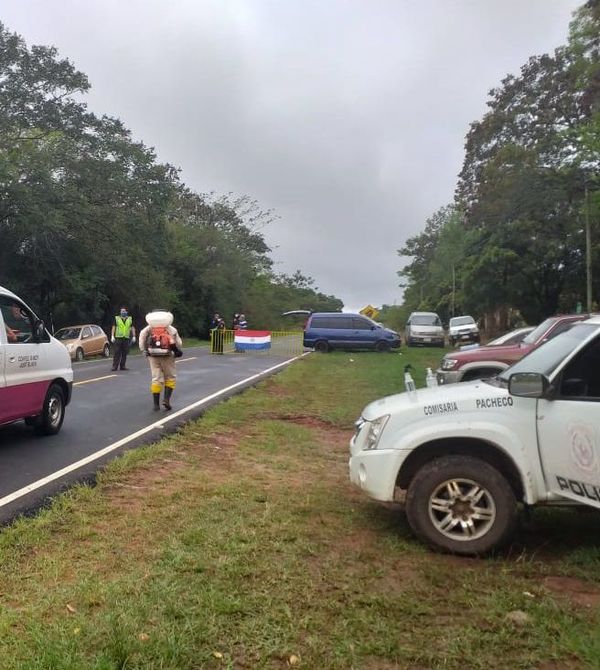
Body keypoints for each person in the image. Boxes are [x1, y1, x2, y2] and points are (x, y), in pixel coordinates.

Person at [139, 310, 183, 411]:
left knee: (156, 378)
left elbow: (142, 337)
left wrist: (143, 350)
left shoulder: (149, 328)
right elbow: (179, 343)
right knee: (170, 377)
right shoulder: (170, 329)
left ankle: (156, 405)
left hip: (153, 356)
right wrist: (177, 350)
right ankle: (166, 400)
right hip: (168, 356)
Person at [111, 307, 136, 371]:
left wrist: (134, 336)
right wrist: (112, 336)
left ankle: (122, 366)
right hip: (118, 338)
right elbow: (113, 327)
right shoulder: (117, 318)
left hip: (126, 338)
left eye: (124, 311)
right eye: (122, 311)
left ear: (126, 312)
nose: (123, 312)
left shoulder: (130, 319)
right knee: (117, 352)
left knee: (125, 352)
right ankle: (114, 366)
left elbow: (132, 327)